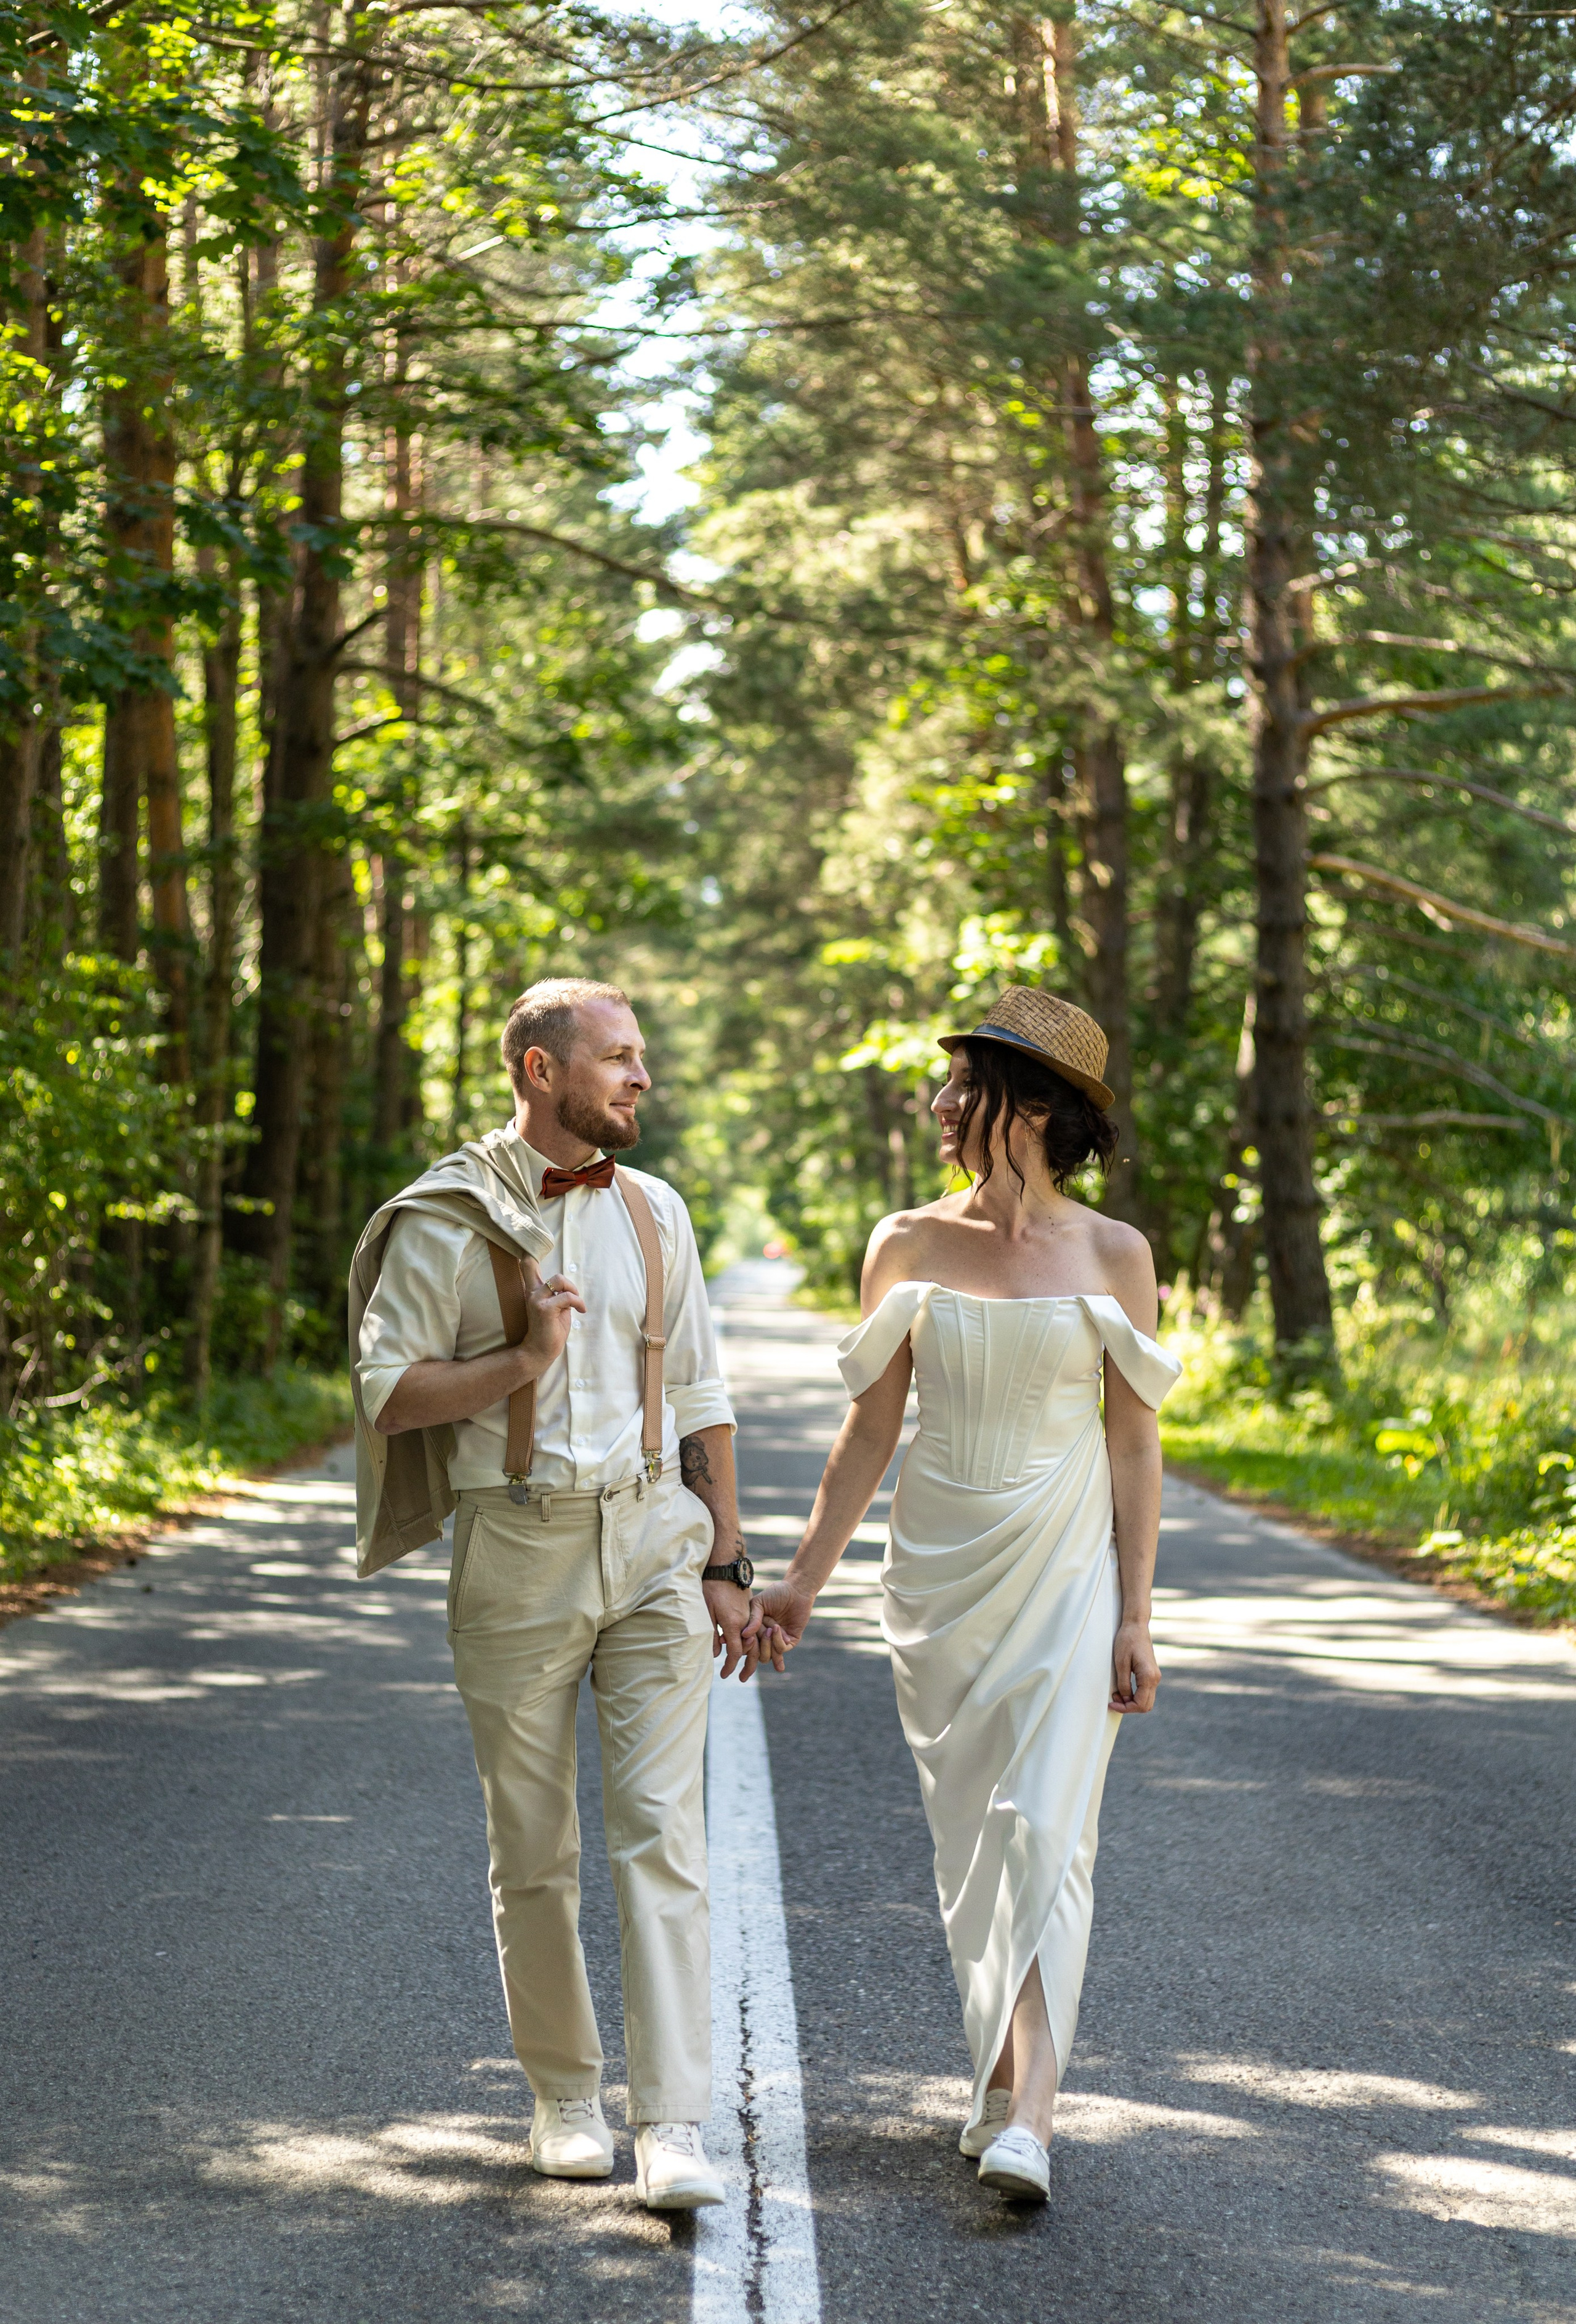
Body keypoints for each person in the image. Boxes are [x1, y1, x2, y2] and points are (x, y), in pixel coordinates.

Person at [751, 987, 1180, 2202]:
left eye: (960, 1087)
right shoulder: (904, 1242)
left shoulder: (1115, 1255)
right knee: (975, 1841)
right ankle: (997, 2078)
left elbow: (1134, 1444)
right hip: (937, 1577)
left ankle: (1029, 2118)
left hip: (1066, 1570)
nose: (938, 1105)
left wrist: (1136, 1611)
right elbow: (869, 1429)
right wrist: (797, 1582)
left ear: (1032, 1107)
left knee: (1049, 1828)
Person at [348, 978, 761, 2211]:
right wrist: (520, 1362)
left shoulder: (655, 1213)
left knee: (662, 1835)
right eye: (620, 1057)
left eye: (644, 1056)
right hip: (515, 1544)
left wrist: (727, 1558)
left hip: (648, 1541)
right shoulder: (451, 1216)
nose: (642, 1078)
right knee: (534, 1846)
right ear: (542, 1072)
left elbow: (699, 1393)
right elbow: (384, 1389)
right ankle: (564, 2097)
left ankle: (672, 2120)